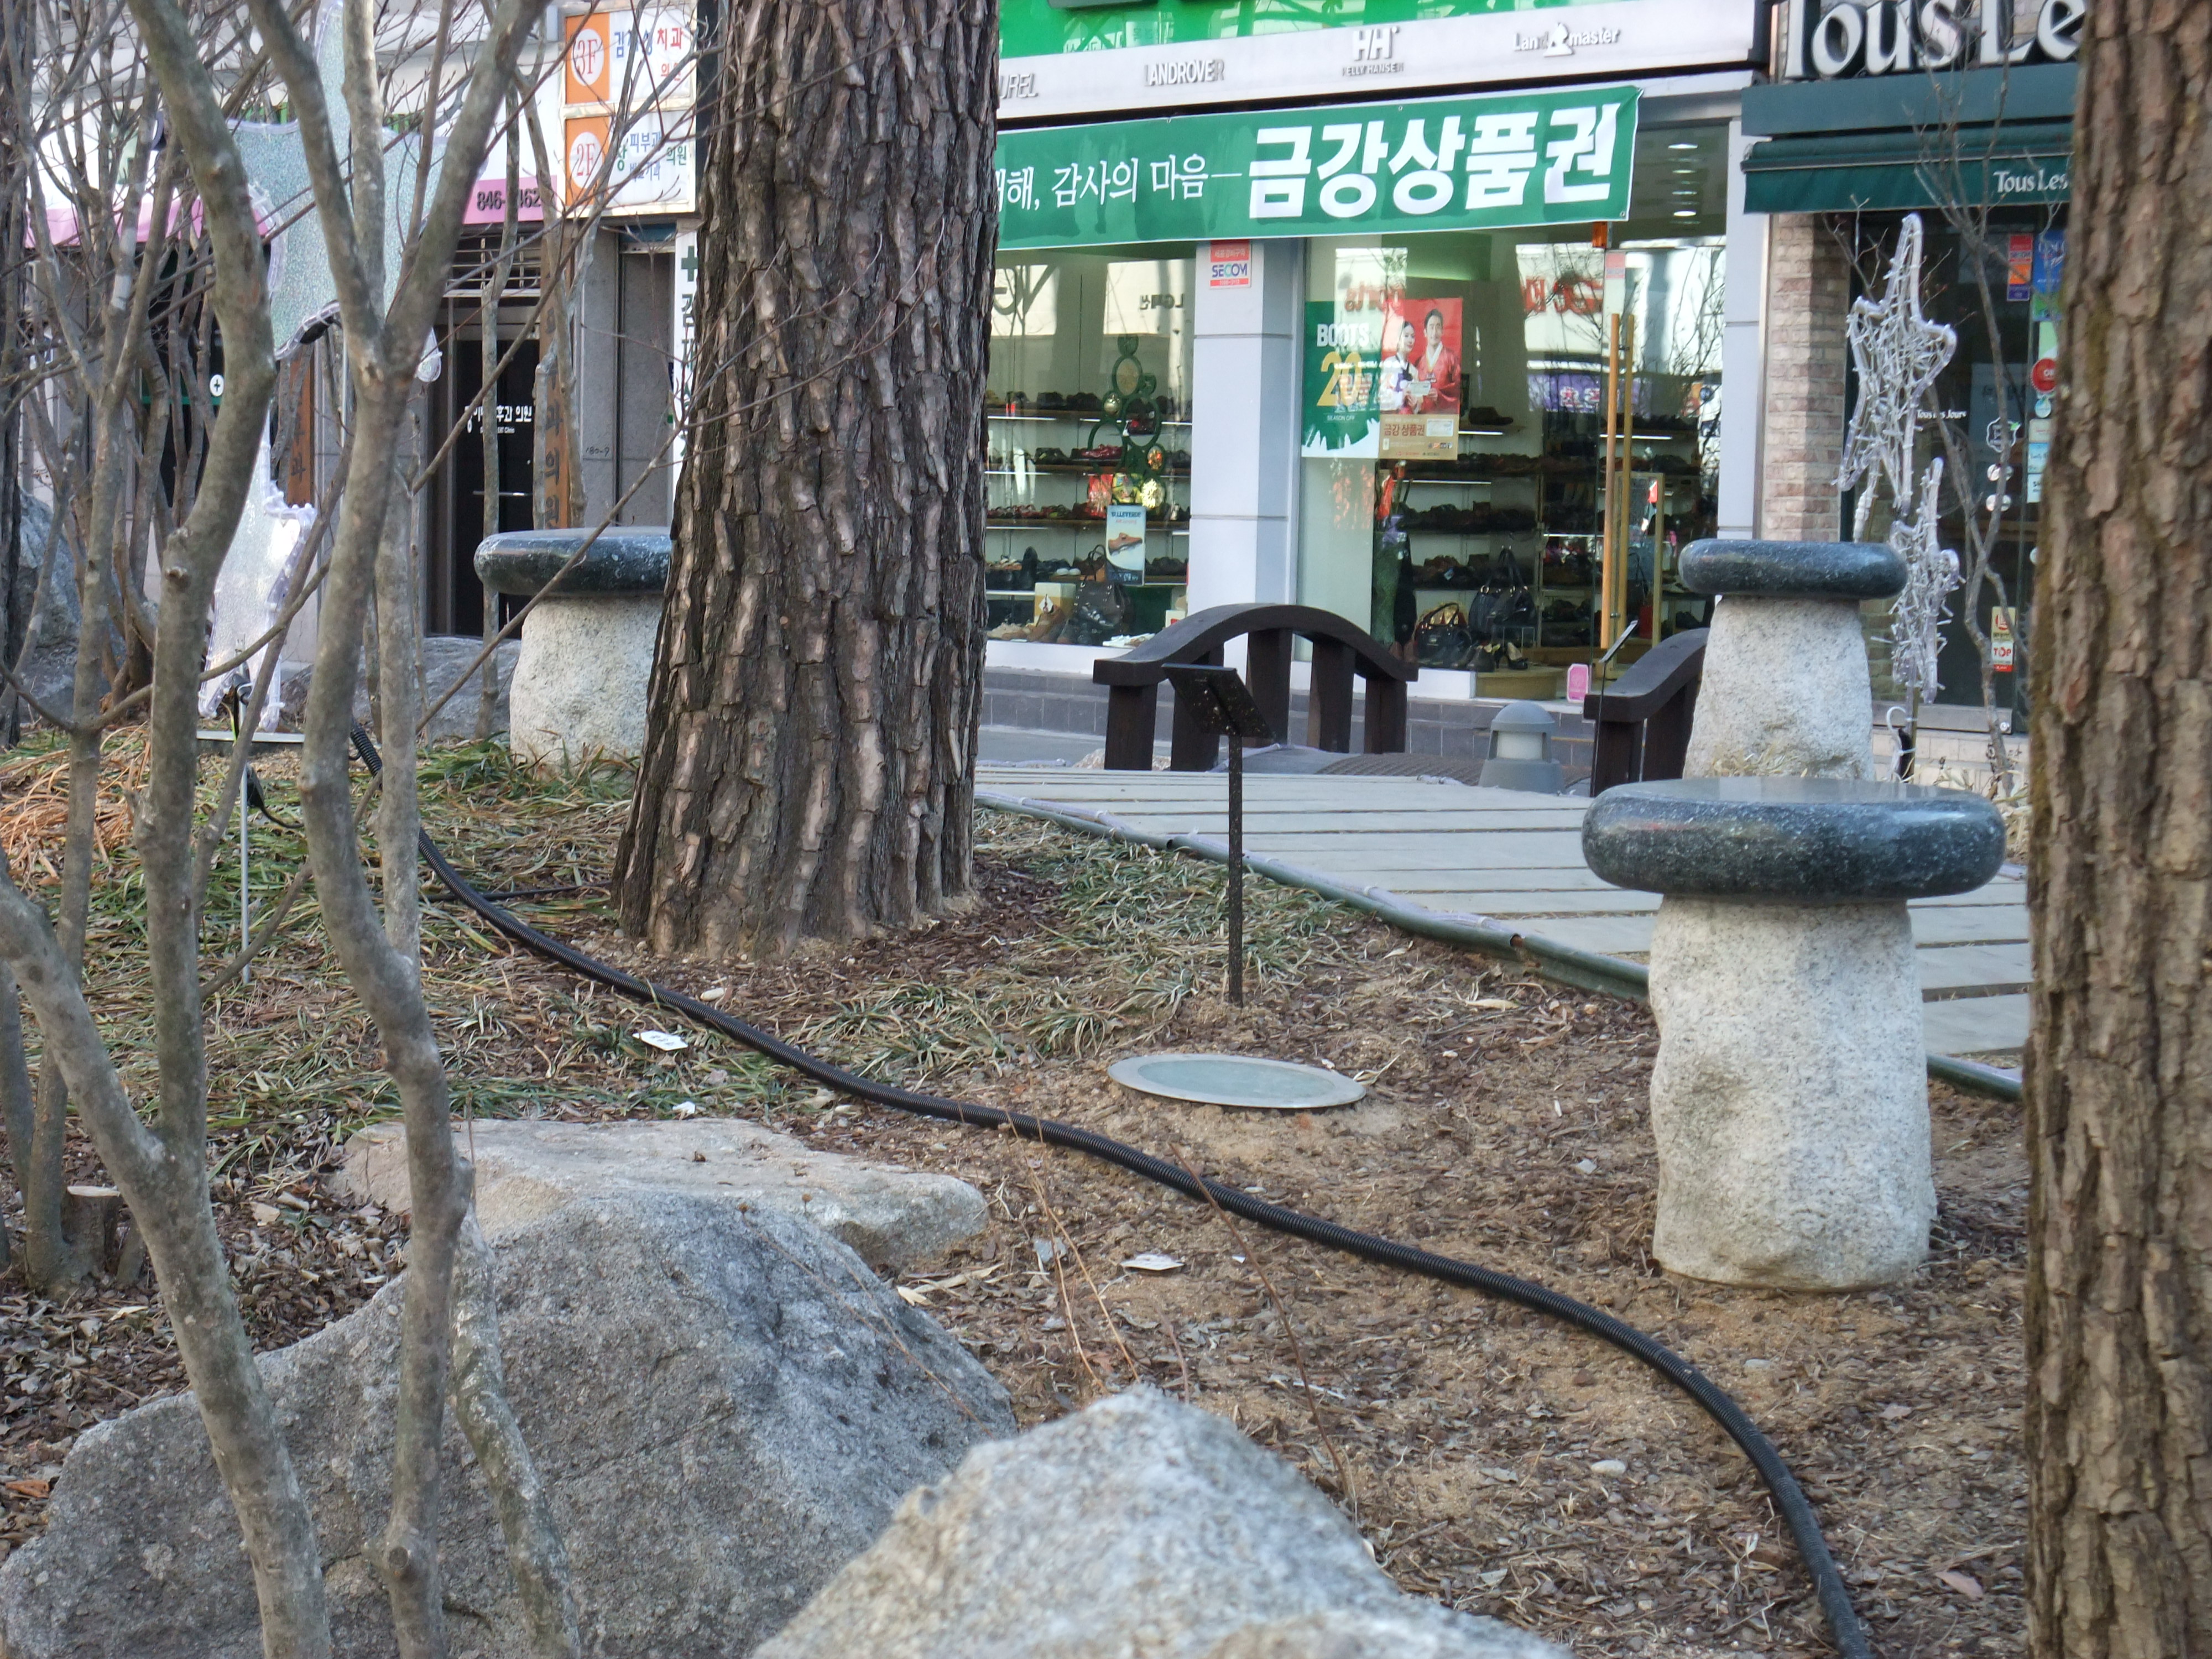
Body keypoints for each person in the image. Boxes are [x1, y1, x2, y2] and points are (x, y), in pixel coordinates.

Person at [1407, 307, 1461, 415]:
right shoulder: (1419, 363)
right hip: (1423, 419)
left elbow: (1458, 390)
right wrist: (1415, 404)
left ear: (1442, 331)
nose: (1435, 332)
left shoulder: (1451, 358)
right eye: (1431, 328)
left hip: (1444, 419)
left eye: (1438, 327)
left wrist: (1440, 397)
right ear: (1425, 332)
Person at [1376, 316, 1417, 413]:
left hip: (1410, 420)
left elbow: (1418, 406)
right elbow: (1381, 400)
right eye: (1406, 336)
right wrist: (1401, 396)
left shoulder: (1414, 371)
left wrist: (1415, 405)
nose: (1410, 340)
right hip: (1391, 420)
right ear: (1398, 339)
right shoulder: (1389, 365)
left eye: (1413, 336)